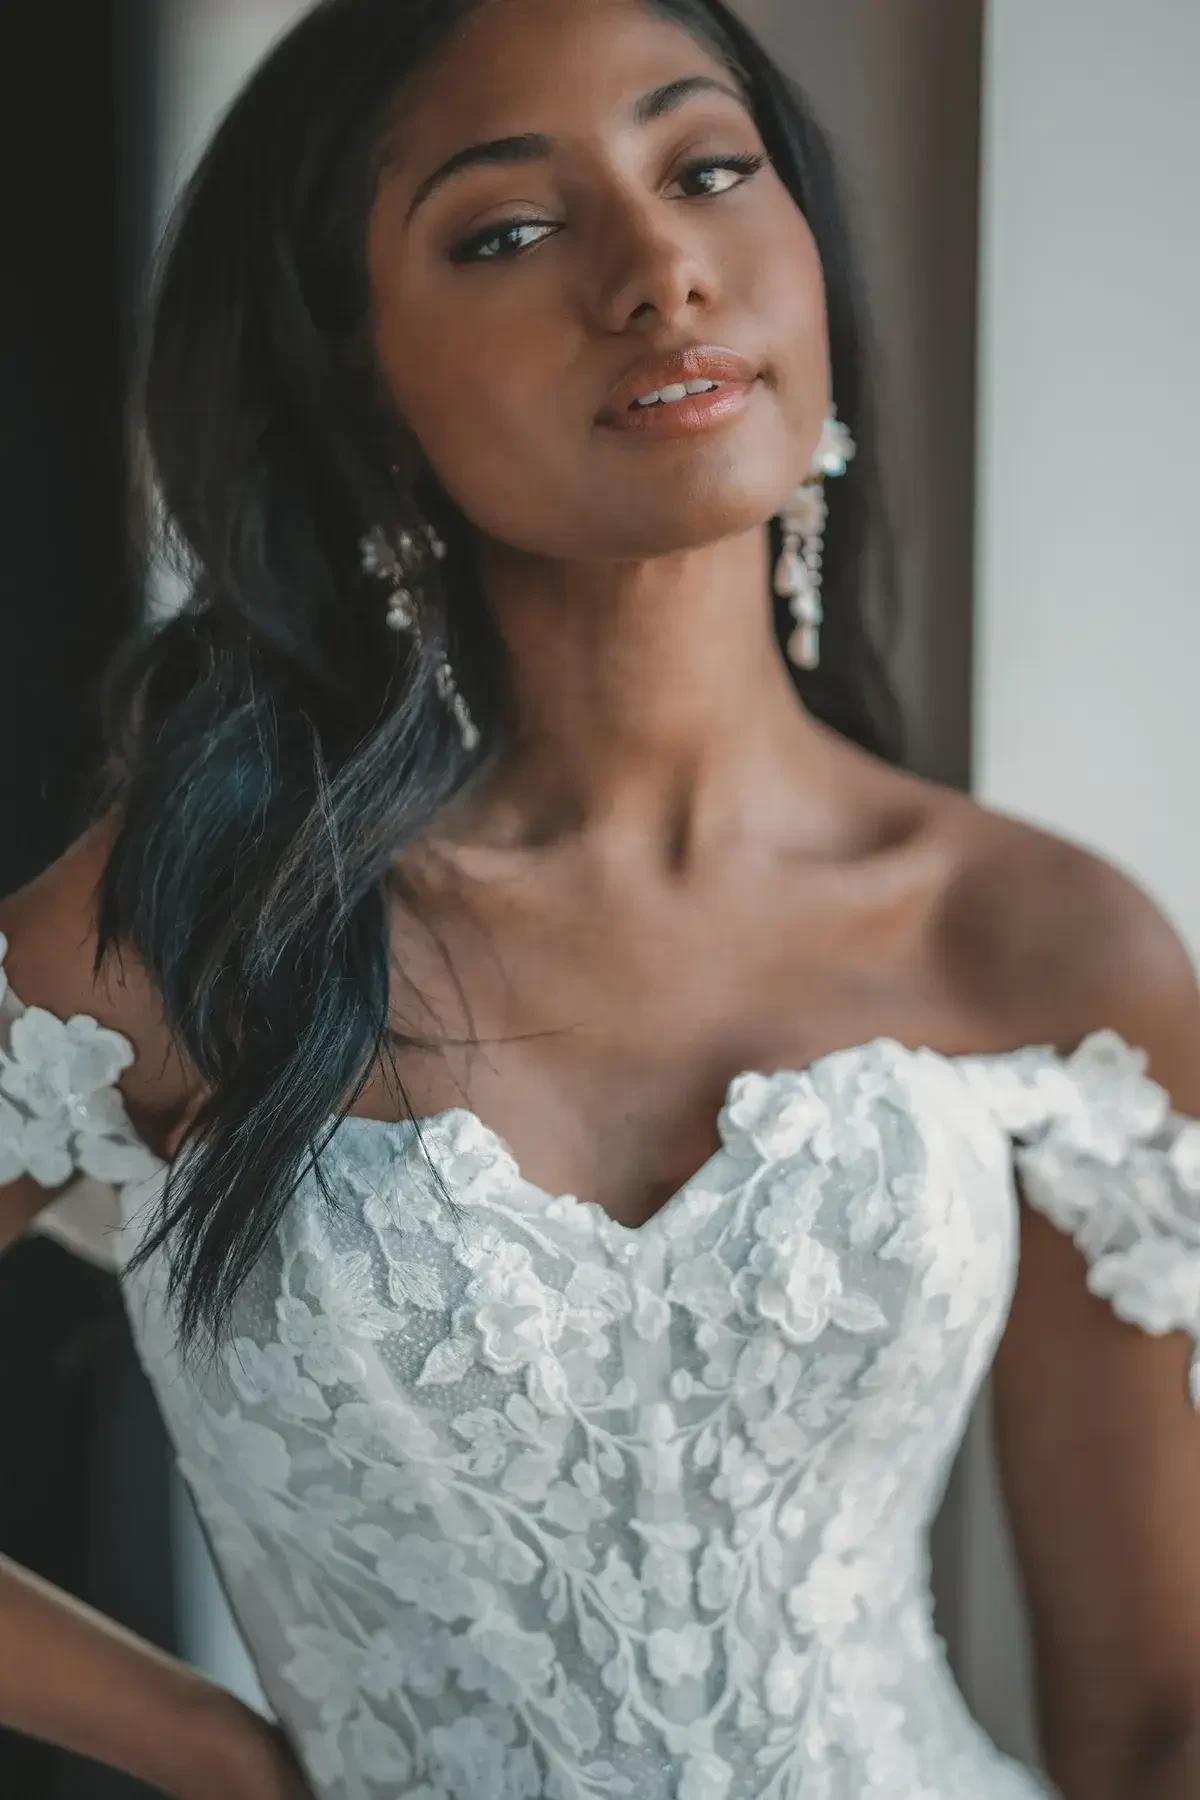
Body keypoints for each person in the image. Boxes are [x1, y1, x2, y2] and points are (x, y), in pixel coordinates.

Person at [3, 1, 1200, 1796]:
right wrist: (216, 1751)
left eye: (708, 170)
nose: (661, 273)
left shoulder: (1041, 944)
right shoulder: (194, 921)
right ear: (356, 376)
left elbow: (1156, 1723)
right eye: (508, 229)